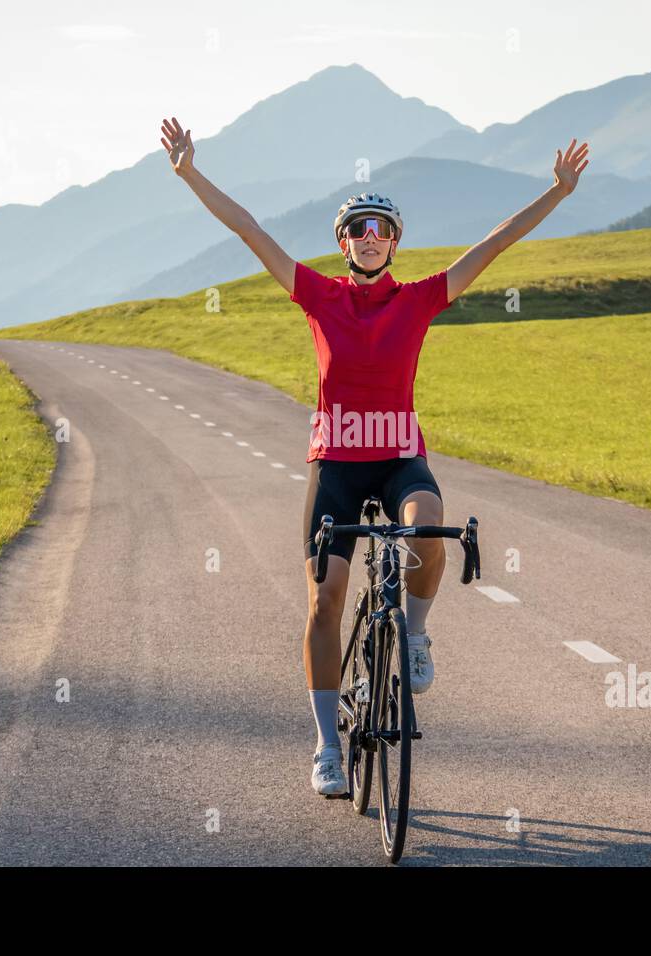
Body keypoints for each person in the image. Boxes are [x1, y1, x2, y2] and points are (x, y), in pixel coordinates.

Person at [160, 116, 590, 796]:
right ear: (343, 243)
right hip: (335, 464)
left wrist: (557, 193)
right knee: (325, 600)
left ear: (393, 243)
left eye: (380, 229)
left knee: (428, 523)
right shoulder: (319, 296)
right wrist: (189, 174)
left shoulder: (418, 301)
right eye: (357, 228)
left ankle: (414, 636)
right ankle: (328, 747)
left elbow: (496, 244)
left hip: (397, 461)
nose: (368, 238)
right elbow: (248, 229)